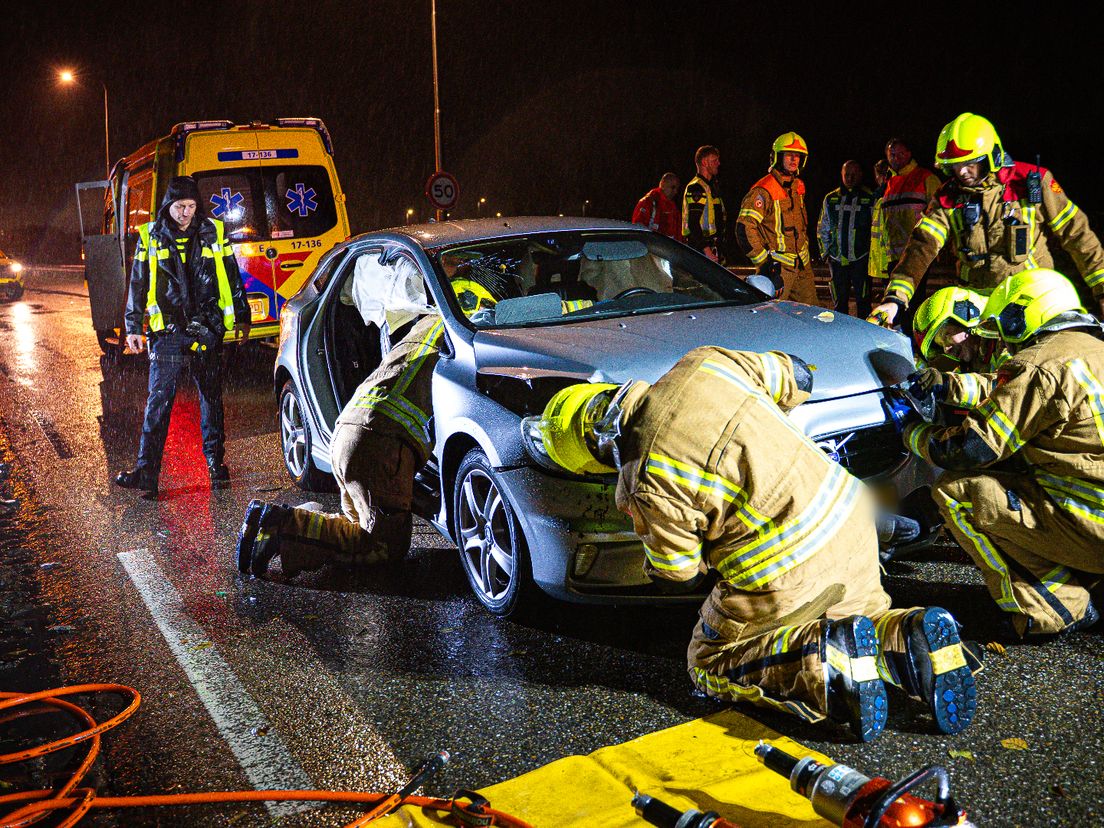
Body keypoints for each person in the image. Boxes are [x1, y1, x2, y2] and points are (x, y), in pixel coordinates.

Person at [524, 348, 979, 741]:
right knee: (863, 616)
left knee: (707, 660)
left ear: (598, 448)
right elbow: (796, 375)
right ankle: (912, 635)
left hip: (787, 572)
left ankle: (824, 659)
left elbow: (677, 573)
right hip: (853, 516)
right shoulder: (703, 364)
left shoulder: (643, 479)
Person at [902, 268, 1103, 639]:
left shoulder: (1038, 363)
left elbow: (969, 449)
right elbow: (1001, 390)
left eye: (948, 338)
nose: (950, 350)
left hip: (1093, 523)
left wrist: (911, 435)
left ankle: (1052, 609)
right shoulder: (1089, 350)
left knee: (958, 491)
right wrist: (947, 385)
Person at [871, 114, 1104, 329]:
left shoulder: (1031, 182)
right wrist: (895, 298)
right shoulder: (948, 197)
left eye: (970, 163)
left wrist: (1101, 288)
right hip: (977, 310)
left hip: (1033, 304)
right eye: (955, 165)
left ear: (992, 156)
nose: (962, 172)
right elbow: (921, 246)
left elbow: (1078, 234)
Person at [114, 176, 250, 495]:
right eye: (179, 207)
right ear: (167, 206)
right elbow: (137, 283)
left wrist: (241, 316)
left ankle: (216, 467)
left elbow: (231, 274)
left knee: (210, 397)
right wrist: (133, 327)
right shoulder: (151, 236)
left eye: (190, 206)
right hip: (169, 331)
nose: (186, 213)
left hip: (207, 326)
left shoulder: (213, 231)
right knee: (159, 402)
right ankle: (147, 473)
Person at [867, 139, 941, 333]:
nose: (896, 158)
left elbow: (940, 216)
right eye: (892, 155)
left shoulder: (926, 177)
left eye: (900, 154)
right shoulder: (890, 183)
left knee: (914, 305)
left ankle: (915, 343)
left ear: (909, 154)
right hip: (893, 256)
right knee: (895, 306)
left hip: (918, 254)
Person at [736, 133, 818, 305]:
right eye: (789, 155)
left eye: (797, 156)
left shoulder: (798, 187)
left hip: (802, 267)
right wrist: (765, 264)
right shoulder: (763, 190)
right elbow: (744, 228)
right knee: (769, 316)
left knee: (812, 315)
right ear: (778, 157)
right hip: (777, 269)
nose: (794, 160)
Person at [909, 286, 1006, 411]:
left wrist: (947, 384)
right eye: (941, 345)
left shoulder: (1006, 344)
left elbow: (1005, 390)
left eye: (946, 336)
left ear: (968, 314)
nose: (946, 349)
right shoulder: (972, 363)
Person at [817, 161, 875, 317]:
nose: (850, 178)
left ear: (861, 175)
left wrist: (872, 255)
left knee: (863, 302)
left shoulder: (870, 198)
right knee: (839, 304)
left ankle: (864, 336)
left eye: (853, 174)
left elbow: (876, 228)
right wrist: (826, 253)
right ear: (841, 175)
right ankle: (840, 337)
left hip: (861, 259)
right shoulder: (830, 198)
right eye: (846, 174)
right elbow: (823, 227)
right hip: (837, 261)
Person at [682, 146, 727, 262]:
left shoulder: (711, 186)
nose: (719, 163)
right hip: (700, 251)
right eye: (714, 160)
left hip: (713, 249)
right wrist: (707, 252)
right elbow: (693, 223)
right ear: (704, 162)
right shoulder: (696, 187)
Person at [632, 173, 681, 239]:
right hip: (652, 246)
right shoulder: (648, 202)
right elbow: (638, 230)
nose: (675, 192)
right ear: (663, 184)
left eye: (677, 189)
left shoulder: (673, 207)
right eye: (673, 187)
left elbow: (678, 234)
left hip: (667, 247)